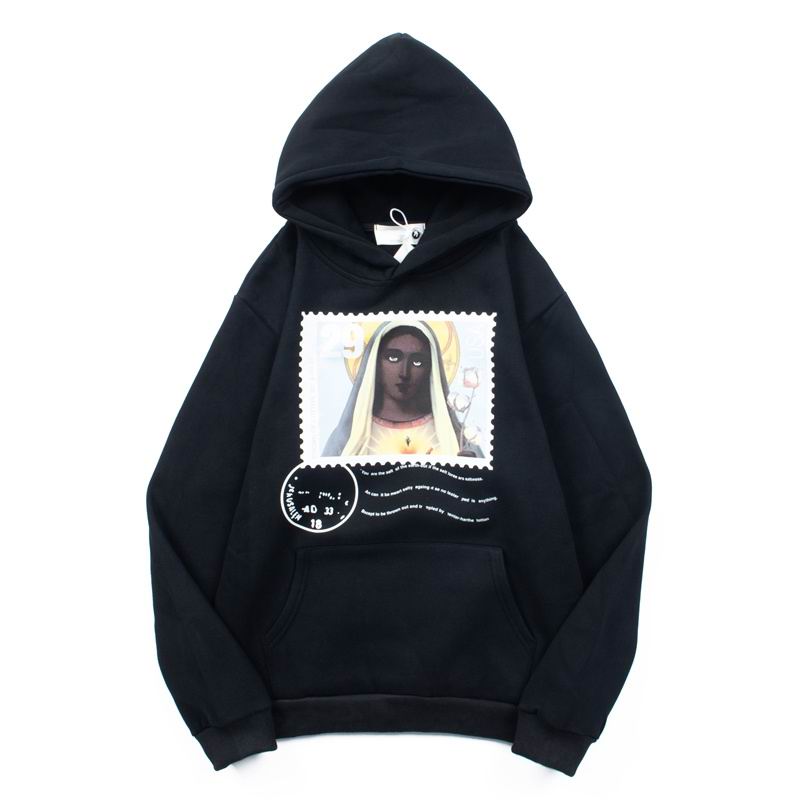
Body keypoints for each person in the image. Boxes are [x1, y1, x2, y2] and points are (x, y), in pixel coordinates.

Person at [321, 319, 483, 457]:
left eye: (417, 362)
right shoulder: (349, 438)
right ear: (375, 363)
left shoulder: (457, 438)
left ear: (430, 369)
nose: (404, 373)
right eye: (393, 357)